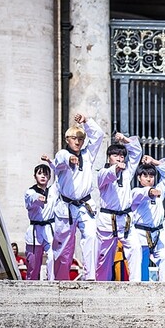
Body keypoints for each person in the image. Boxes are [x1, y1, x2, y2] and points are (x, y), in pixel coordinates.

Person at [51, 113, 104, 281]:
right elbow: (60, 160)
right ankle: (60, 279)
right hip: (66, 207)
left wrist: (86, 121)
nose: (78, 141)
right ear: (67, 139)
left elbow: (99, 135)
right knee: (64, 245)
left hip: (85, 205)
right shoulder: (62, 154)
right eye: (74, 138)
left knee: (91, 236)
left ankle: (90, 276)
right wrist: (70, 158)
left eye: (81, 139)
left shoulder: (88, 155)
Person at [95, 133, 143, 281]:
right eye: (116, 155)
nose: (120, 158)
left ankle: (135, 284)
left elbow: (137, 152)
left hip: (125, 220)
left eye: (122, 156)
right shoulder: (102, 173)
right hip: (107, 220)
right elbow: (109, 175)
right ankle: (100, 285)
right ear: (109, 157)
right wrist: (116, 169)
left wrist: (125, 140)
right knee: (104, 258)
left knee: (135, 248)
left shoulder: (127, 172)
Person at [130, 155, 165, 282]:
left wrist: (154, 162)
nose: (149, 179)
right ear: (139, 178)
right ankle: (137, 290)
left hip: (158, 233)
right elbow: (140, 194)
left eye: (151, 176)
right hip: (140, 233)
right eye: (145, 176)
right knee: (140, 264)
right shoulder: (135, 192)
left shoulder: (159, 189)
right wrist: (149, 192)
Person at [23, 157, 56, 281]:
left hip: (49, 228)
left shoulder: (53, 191)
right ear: (35, 176)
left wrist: (50, 162)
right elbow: (31, 199)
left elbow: (60, 174)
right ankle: (31, 285)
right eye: (40, 173)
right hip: (35, 230)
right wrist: (38, 198)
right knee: (33, 264)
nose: (43, 176)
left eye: (46, 174)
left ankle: (51, 282)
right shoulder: (30, 192)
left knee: (53, 256)